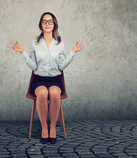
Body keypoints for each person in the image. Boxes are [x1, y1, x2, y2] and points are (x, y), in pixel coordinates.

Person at [12, 12, 84, 144]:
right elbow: (33, 65)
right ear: (41, 25)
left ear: (54, 24)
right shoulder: (34, 44)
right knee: (43, 93)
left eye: (50, 21)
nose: (47, 24)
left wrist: (73, 52)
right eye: (44, 21)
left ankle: (52, 128)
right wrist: (22, 52)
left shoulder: (59, 43)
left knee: (55, 93)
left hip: (55, 80)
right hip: (39, 79)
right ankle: (44, 128)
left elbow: (61, 66)